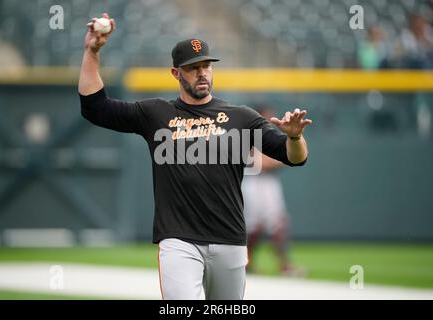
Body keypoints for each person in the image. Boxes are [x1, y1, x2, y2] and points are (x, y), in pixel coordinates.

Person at [78, 13, 312, 300]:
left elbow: (294, 157)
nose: (202, 73)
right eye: (193, 68)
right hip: (179, 241)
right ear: (176, 73)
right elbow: (95, 108)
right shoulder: (156, 113)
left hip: (230, 241)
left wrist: (295, 136)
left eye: (206, 66)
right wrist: (92, 51)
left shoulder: (241, 117)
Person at [243, 107, 305, 277]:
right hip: (253, 182)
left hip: (269, 183)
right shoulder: (249, 134)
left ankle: (284, 265)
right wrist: (280, 158)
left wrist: (281, 158)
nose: (270, 120)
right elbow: (263, 164)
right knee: (253, 227)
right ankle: (246, 263)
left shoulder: (272, 137)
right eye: (266, 116)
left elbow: (289, 157)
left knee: (278, 223)